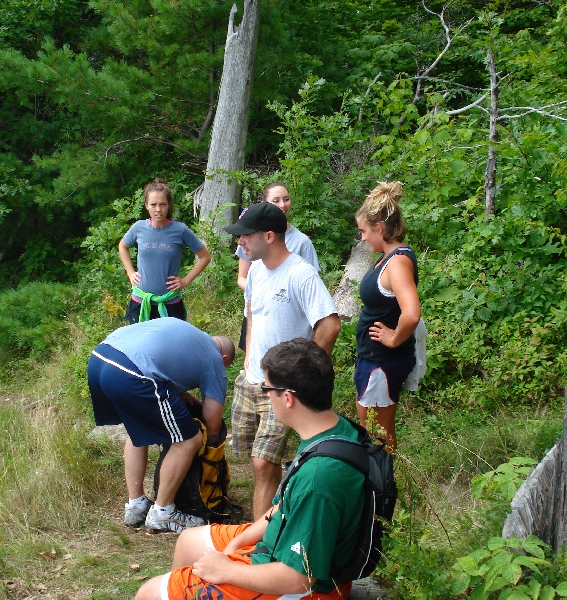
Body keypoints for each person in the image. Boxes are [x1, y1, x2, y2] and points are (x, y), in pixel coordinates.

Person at [134, 338, 364, 600]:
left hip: (309, 586)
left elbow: (299, 578)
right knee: (188, 542)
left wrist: (228, 570)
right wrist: (238, 544)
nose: (264, 394)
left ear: (287, 398)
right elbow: (284, 505)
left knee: (149, 593)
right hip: (284, 539)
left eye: (266, 388)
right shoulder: (331, 431)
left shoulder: (318, 479)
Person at [223, 202, 341, 519]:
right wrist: (248, 360)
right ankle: (275, 516)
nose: (240, 243)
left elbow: (329, 325)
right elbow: (252, 315)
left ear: (270, 236)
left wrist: (301, 374)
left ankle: (259, 547)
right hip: (250, 380)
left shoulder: (301, 274)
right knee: (252, 459)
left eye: (245, 236)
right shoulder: (258, 271)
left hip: (281, 386)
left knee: (263, 463)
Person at [87, 318, 236, 533]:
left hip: (100, 359)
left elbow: (159, 360)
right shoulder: (215, 360)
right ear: (223, 358)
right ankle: (163, 513)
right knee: (189, 440)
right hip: (131, 373)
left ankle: (136, 506)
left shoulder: (188, 333)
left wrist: (181, 395)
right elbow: (213, 423)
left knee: (137, 427)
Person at [354, 181, 421, 452]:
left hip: (381, 363)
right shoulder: (387, 257)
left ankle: (382, 490)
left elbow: (412, 313)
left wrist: (394, 339)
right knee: (374, 431)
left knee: (378, 436)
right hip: (373, 360)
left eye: (364, 231)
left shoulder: (398, 262)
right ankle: (379, 487)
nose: (363, 238)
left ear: (379, 228)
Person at [235, 183, 320, 350]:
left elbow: (310, 288)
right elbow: (242, 277)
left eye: (286, 199)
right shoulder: (250, 241)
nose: (282, 204)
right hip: (258, 312)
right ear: (264, 203)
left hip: (285, 320)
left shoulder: (302, 243)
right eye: (276, 200)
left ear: (270, 237)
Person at [119, 178, 211, 324]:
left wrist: (185, 280)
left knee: (170, 346)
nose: (158, 209)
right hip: (141, 302)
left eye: (162, 204)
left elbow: (205, 257)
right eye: (153, 204)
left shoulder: (180, 230)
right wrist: (130, 272)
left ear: (168, 206)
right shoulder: (138, 228)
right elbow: (123, 246)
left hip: (170, 304)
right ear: (146, 206)